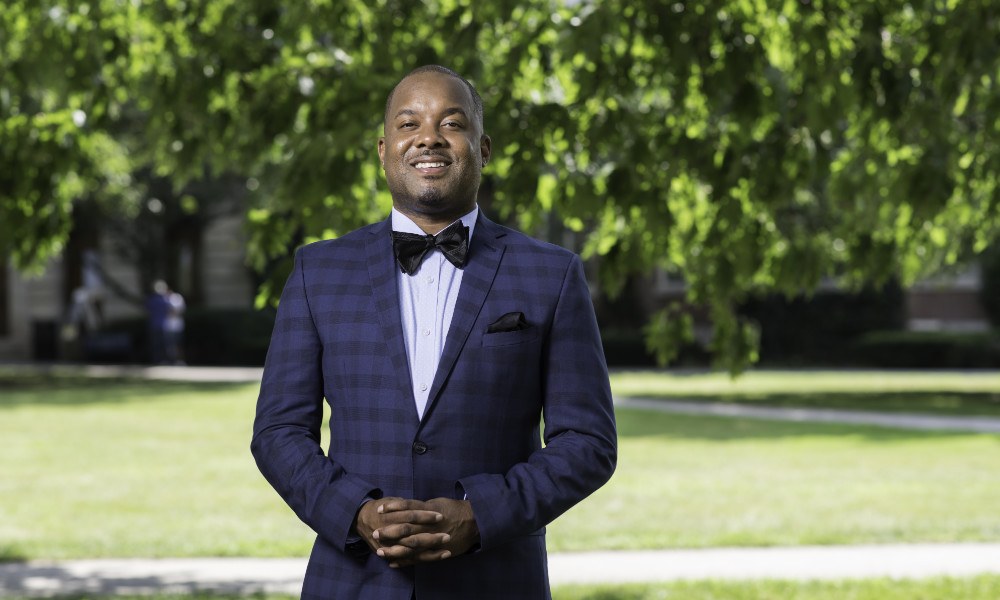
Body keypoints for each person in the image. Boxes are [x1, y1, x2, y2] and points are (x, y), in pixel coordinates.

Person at [251, 65, 618, 600]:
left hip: (495, 581)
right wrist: (353, 512)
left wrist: (482, 515)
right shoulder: (317, 271)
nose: (429, 137)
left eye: (451, 123)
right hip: (352, 584)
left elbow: (587, 442)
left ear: (483, 148)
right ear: (383, 149)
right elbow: (279, 433)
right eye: (409, 124)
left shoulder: (552, 275)